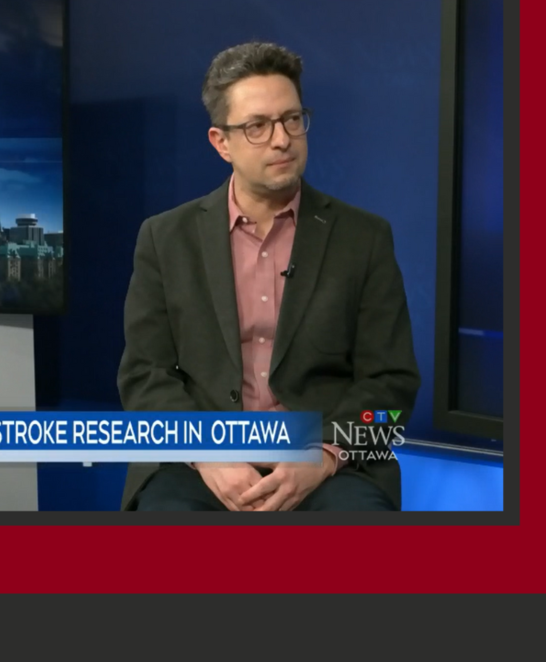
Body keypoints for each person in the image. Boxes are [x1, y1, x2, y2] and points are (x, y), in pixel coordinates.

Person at [118, 41, 421, 512]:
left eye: (292, 120)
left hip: (329, 467)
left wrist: (325, 454)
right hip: (200, 462)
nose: (282, 139)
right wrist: (207, 454)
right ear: (221, 143)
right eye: (258, 126)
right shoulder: (166, 238)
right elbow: (143, 376)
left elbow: (392, 387)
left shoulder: (363, 238)